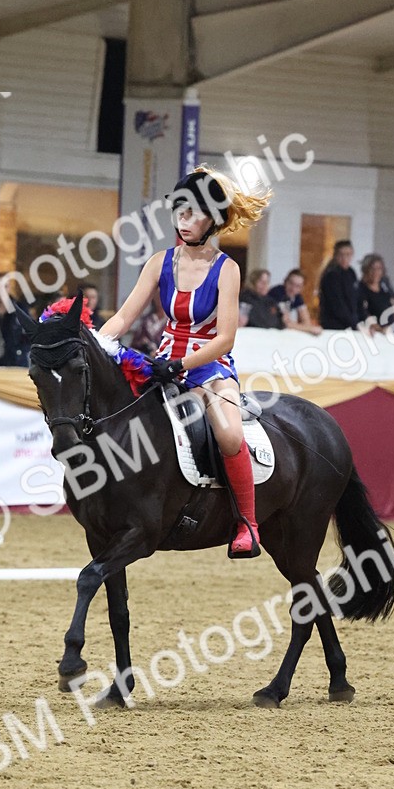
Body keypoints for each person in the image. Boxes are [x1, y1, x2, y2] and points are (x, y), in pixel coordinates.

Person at [101, 165, 271, 559]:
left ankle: (247, 522)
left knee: (229, 435)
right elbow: (125, 317)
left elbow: (226, 337)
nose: (183, 219)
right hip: (161, 363)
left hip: (210, 367)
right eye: (179, 211)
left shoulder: (227, 269)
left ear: (212, 219)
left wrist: (182, 366)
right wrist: (94, 341)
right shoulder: (160, 262)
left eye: (192, 212)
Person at [318, 240, 363, 330]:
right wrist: (354, 324)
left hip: (351, 323)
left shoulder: (351, 273)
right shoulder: (331, 275)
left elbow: (357, 300)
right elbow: (337, 304)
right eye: (341, 255)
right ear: (335, 255)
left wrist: (361, 321)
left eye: (348, 254)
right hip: (334, 325)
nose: (344, 258)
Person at [269, 269, 321, 335]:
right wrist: (310, 329)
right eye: (291, 283)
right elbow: (286, 323)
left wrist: (308, 327)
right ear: (285, 281)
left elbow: (306, 321)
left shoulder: (297, 297)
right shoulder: (277, 293)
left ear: (302, 288)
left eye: (298, 286)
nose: (293, 289)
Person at [356, 254, 394, 330]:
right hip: (375, 332)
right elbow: (364, 313)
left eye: (379, 269)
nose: (376, 272)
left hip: (391, 330)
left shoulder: (385, 287)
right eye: (372, 269)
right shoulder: (360, 289)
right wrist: (379, 329)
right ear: (366, 270)